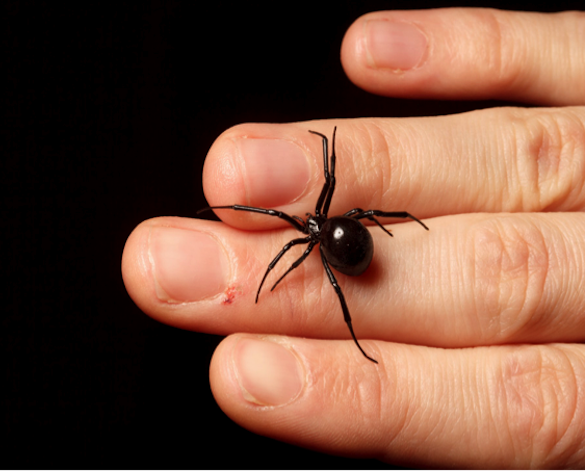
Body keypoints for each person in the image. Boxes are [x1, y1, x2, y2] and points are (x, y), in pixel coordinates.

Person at [122, 8, 585, 469]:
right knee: (331, 262)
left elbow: (328, 185)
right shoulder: (316, 232)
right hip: (349, 239)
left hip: (350, 242)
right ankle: (355, 323)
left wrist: (344, 177)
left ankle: (357, 309)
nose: (306, 222)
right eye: (308, 225)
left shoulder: (312, 235)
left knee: (329, 251)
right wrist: (274, 268)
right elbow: (317, 205)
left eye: (309, 222)